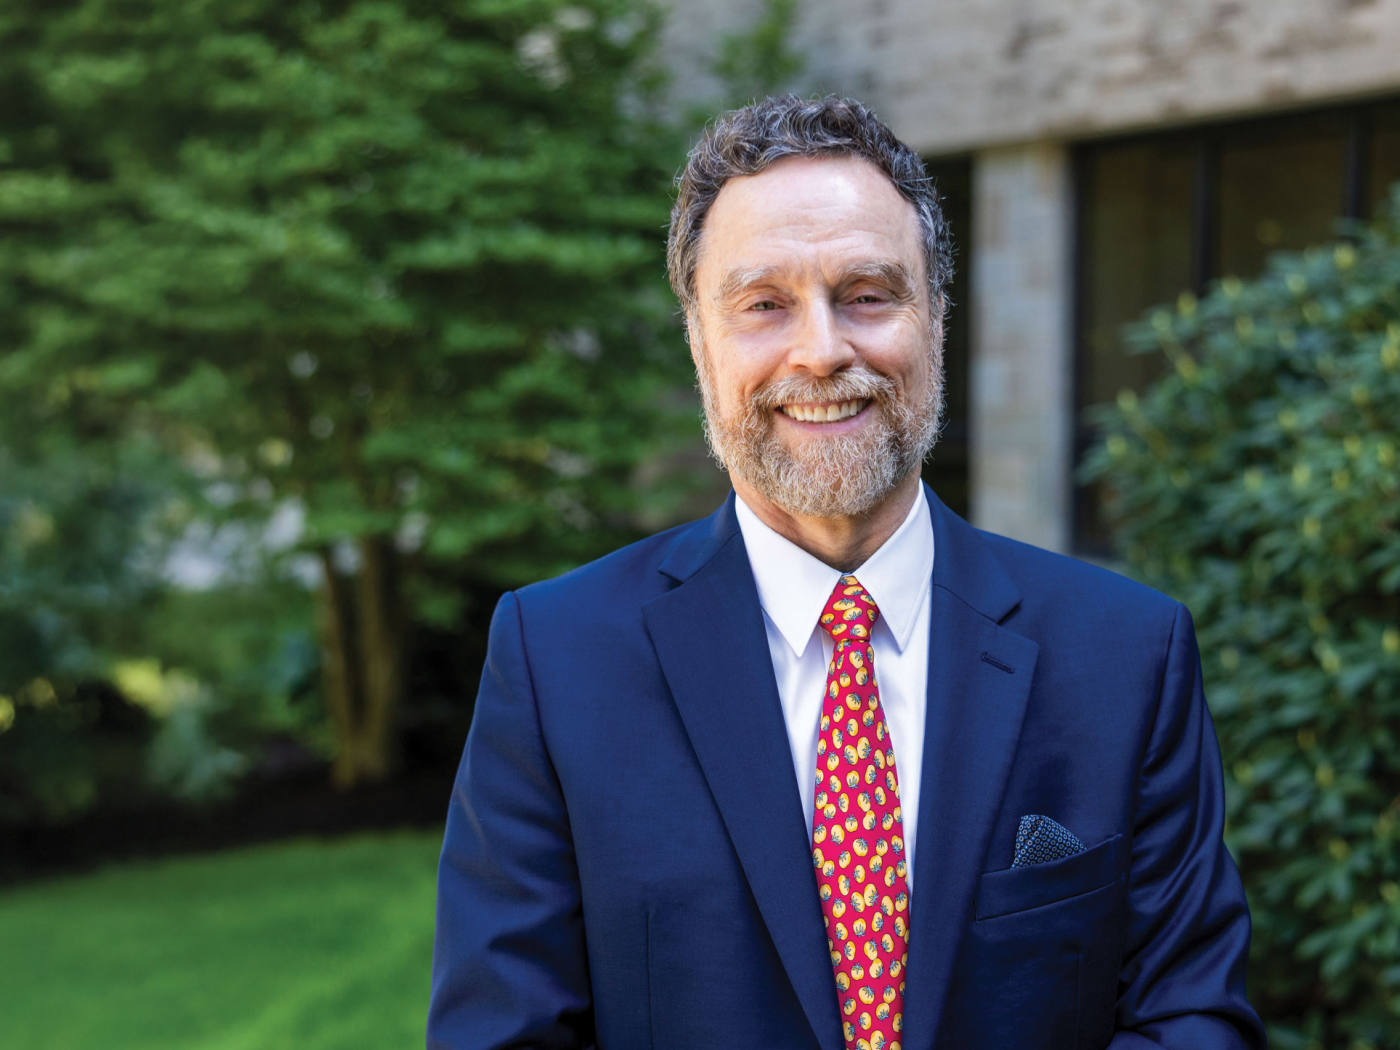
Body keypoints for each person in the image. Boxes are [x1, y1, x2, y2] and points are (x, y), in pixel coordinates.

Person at [427, 95, 1265, 1050]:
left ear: (936, 320)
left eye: (867, 293)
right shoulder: (556, 661)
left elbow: (1190, 1020)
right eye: (763, 305)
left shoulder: (1125, 654)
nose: (822, 351)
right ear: (700, 342)